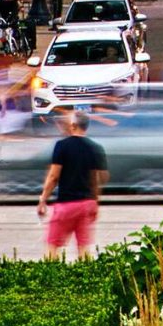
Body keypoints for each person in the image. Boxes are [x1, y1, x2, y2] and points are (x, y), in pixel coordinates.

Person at [38, 108, 108, 259]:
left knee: (52, 247)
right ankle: (86, 279)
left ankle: (50, 279)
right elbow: (96, 179)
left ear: (73, 125)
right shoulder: (94, 148)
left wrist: (43, 199)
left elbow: (53, 176)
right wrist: (95, 203)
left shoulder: (62, 146)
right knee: (83, 249)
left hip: (66, 205)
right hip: (86, 204)